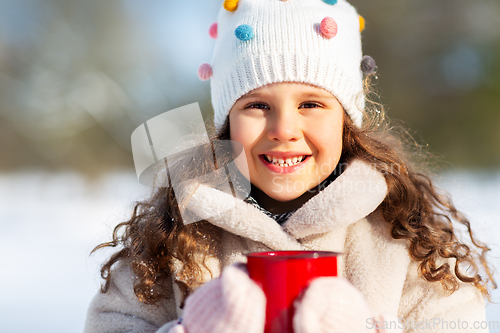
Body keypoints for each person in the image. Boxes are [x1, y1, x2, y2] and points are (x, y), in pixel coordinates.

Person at [83, 0, 496, 332]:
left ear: (345, 121)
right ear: (227, 123)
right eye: (257, 106)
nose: (284, 129)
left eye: (311, 104)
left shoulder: (401, 235)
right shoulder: (177, 230)